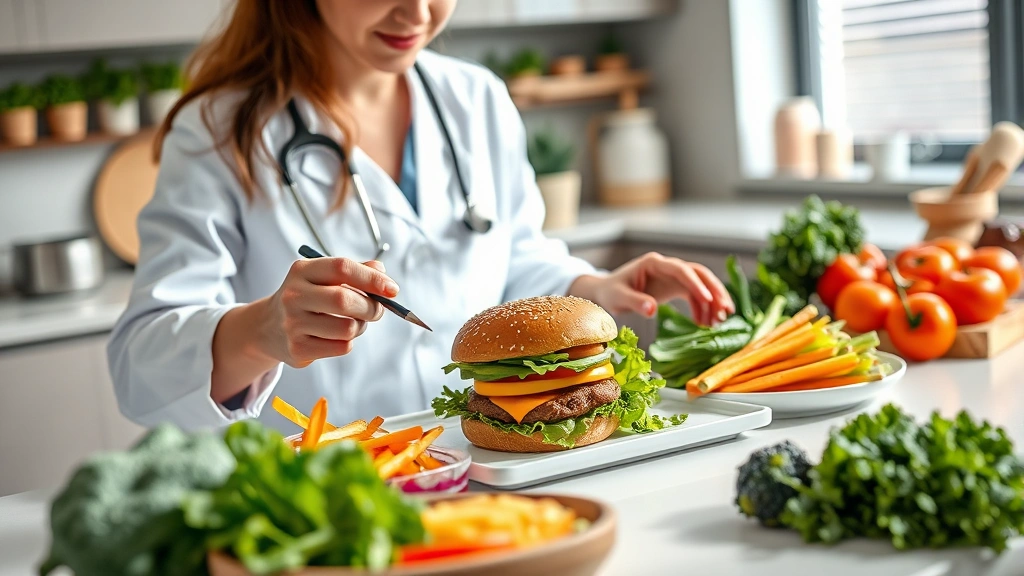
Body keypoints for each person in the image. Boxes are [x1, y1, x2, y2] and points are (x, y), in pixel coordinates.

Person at [108, 0, 734, 431]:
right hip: (324, 498)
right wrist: (262, 331)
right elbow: (140, 366)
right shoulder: (219, 130)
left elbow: (515, 261)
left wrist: (593, 289)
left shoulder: (477, 98)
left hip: (481, 464)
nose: (417, 13)